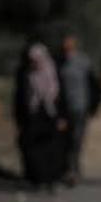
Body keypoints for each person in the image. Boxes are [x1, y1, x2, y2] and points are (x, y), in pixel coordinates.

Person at [14, 42, 68, 189]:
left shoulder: (54, 71)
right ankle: (38, 179)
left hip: (52, 114)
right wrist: (19, 120)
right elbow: (20, 98)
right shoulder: (25, 73)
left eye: (38, 59)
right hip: (33, 116)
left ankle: (52, 179)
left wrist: (63, 118)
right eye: (32, 60)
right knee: (34, 149)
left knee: (52, 148)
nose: (35, 63)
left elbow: (62, 96)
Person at [57, 34, 101, 185]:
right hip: (63, 109)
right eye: (65, 45)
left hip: (80, 107)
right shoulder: (58, 62)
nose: (67, 48)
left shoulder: (83, 62)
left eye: (69, 45)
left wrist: (94, 106)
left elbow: (93, 85)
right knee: (65, 140)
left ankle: (73, 170)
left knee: (76, 139)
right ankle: (68, 169)